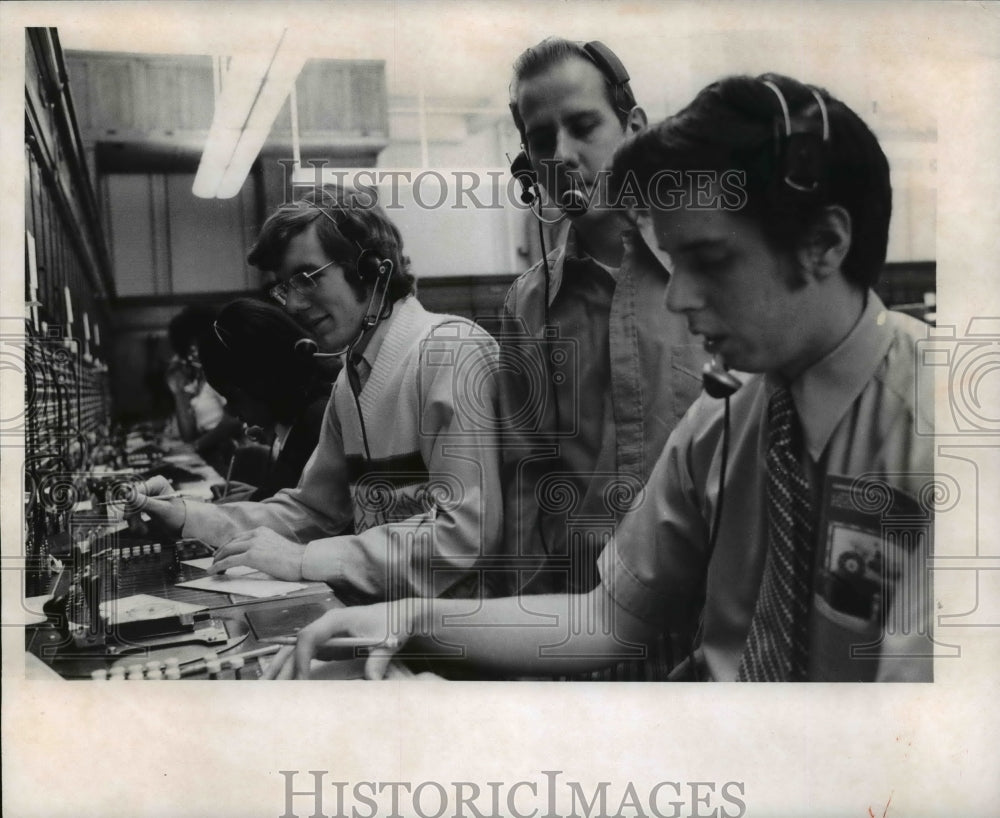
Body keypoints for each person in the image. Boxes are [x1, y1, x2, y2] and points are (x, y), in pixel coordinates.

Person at [267, 74, 934, 683]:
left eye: (709, 260)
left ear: (825, 243)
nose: (678, 297)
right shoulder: (726, 419)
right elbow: (608, 618)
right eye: (674, 261)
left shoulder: (947, 434)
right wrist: (410, 621)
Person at [136, 188, 504, 604]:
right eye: (284, 287)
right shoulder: (351, 381)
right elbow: (313, 512)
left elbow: (464, 535)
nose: (292, 303)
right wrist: (189, 515)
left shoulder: (449, 350)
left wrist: (305, 558)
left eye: (307, 277)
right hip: (386, 623)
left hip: (458, 640)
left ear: (370, 268)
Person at [499, 38, 704, 596]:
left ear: (635, 129)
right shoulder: (527, 307)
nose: (561, 154)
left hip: (711, 616)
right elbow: (527, 489)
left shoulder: (714, 276)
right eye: (542, 142)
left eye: (584, 126)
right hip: (586, 619)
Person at [197, 297, 333, 501]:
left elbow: (307, 521)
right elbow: (294, 499)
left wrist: (257, 501)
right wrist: (259, 495)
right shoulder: (301, 416)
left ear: (261, 383)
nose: (232, 411)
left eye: (233, 397)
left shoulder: (316, 419)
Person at [164, 305, 243, 473]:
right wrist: (178, 392)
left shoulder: (221, 374)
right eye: (188, 347)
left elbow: (235, 419)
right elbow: (188, 434)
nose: (192, 352)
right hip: (209, 453)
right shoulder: (198, 382)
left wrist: (196, 445)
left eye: (196, 345)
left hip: (227, 454)